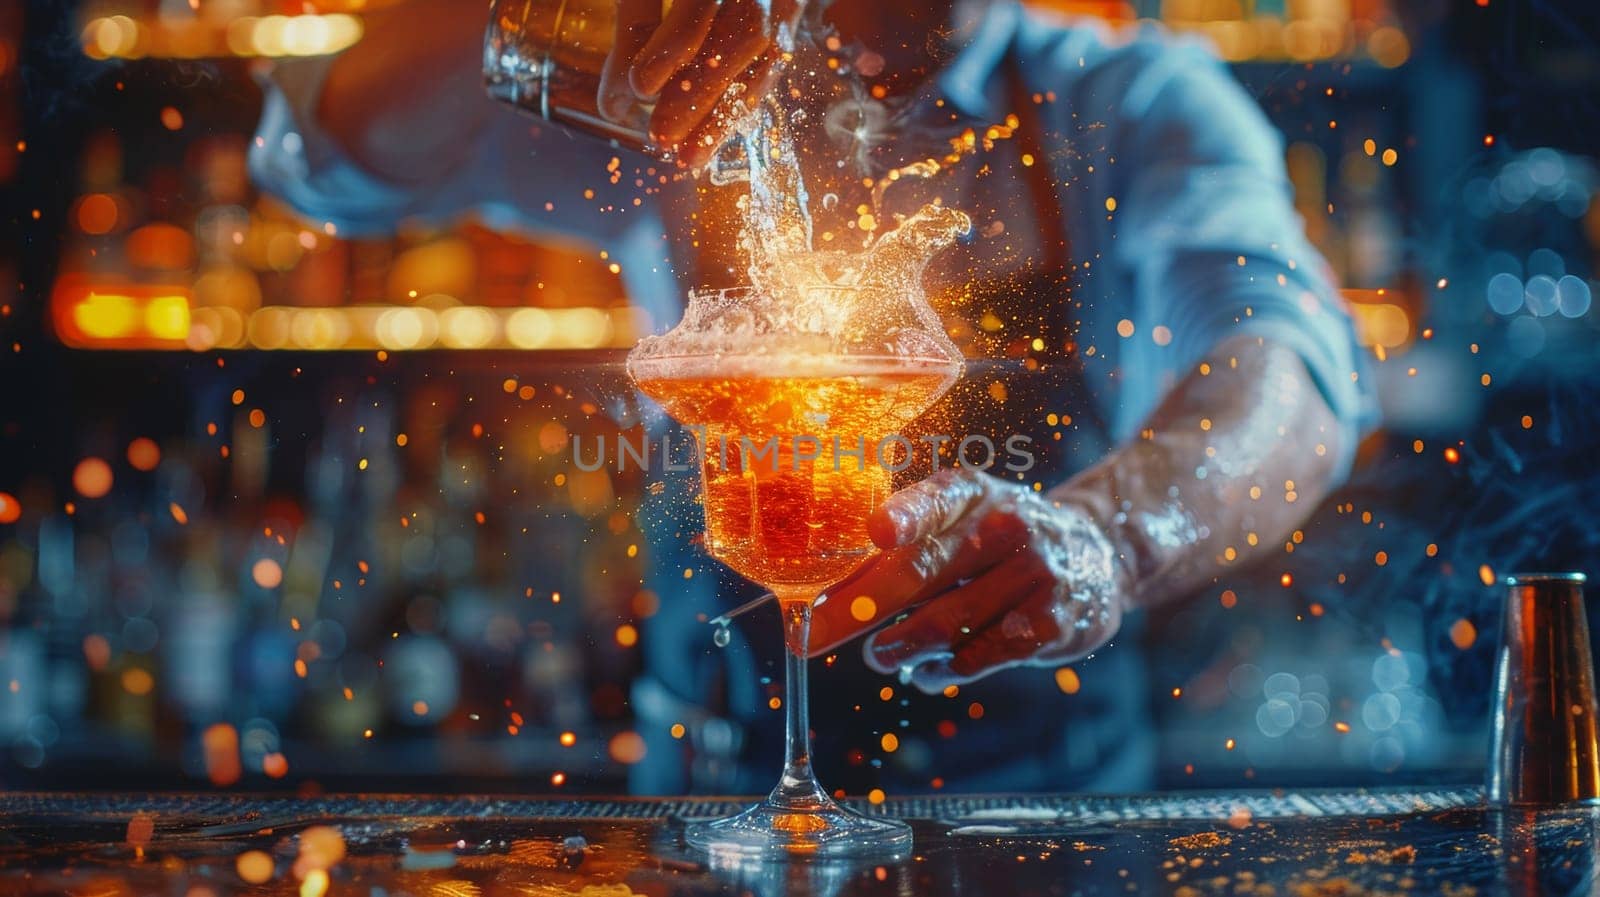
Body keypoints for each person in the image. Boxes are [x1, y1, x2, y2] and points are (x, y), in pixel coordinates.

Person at [250, 0, 1376, 793]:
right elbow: (320, 154)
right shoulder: (675, 76)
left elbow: (1286, 365)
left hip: (1038, 817)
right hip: (704, 802)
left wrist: (1111, 535)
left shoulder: (1130, 102)